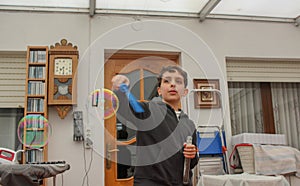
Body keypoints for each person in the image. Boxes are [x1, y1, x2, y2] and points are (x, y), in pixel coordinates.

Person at [112, 65, 199, 186]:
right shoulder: (147, 110)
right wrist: (120, 90)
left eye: (178, 81)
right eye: (167, 81)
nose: (172, 85)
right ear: (159, 90)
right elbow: (125, 108)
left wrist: (193, 154)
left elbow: (192, 162)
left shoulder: (189, 124)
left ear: (185, 91)